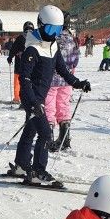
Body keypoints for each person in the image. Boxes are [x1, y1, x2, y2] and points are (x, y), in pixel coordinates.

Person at [13, 5, 91, 186]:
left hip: (39, 96)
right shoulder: (32, 48)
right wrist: (32, 102)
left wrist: (78, 83)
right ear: (40, 25)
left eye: (57, 30)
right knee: (46, 134)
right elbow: (24, 78)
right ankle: (38, 171)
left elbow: (63, 70)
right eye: (50, 29)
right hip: (31, 96)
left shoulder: (53, 45)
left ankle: (21, 165)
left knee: (31, 130)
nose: (53, 34)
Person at [46, 13, 80, 152]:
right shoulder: (71, 39)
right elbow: (75, 59)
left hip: (51, 78)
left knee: (49, 107)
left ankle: (47, 139)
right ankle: (65, 138)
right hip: (67, 79)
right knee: (63, 106)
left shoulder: (53, 38)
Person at [7, 21, 34, 104]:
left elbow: (13, 49)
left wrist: (10, 57)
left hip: (20, 65)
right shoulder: (35, 38)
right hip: (32, 65)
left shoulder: (20, 38)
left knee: (18, 82)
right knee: (30, 81)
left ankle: (17, 97)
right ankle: (31, 96)